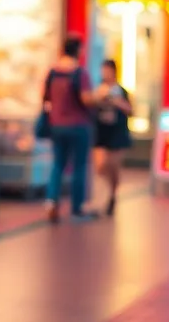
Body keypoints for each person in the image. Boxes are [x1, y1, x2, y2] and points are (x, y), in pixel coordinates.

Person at [42, 35, 97, 223]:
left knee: (58, 164)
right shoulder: (80, 73)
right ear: (78, 50)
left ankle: (51, 201)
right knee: (80, 166)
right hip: (78, 125)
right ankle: (77, 207)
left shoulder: (53, 72)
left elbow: (46, 98)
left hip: (56, 125)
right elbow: (86, 99)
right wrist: (99, 97)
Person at [92, 58, 132, 216]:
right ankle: (107, 193)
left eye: (107, 70)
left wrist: (117, 102)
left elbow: (130, 109)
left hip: (117, 133)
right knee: (100, 165)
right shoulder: (98, 90)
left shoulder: (121, 91)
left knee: (113, 166)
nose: (105, 74)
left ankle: (112, 195)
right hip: (101, 132)